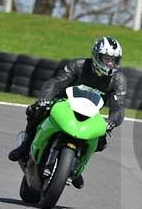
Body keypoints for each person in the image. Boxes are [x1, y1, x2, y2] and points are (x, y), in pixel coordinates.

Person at [8, 36, 127, 189]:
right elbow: (56, 83)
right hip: (64, 103)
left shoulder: (118, 79)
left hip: (91, 111)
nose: (110, 63)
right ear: (96, 56)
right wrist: (44, 99)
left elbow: (119, 106)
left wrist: (112, 121)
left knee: (101, 139)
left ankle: (75, 165)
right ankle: (26, 145)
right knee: (36, 110)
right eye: (107, 59)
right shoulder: (78, 65)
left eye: (114, 60)